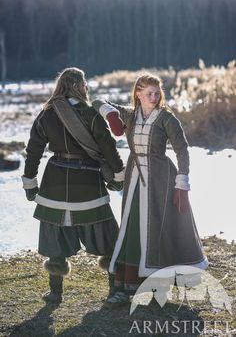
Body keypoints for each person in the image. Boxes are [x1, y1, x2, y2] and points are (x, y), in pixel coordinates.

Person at [92, 72, 209, 307]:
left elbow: (182, 149)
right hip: (135, 178)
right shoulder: (130, 115)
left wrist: (182, 182)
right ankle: (128, 286)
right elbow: (96, 102)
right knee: (132, 228)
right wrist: (112, 115)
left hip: (161, 179)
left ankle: (158, 288)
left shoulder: (167, 118)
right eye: (149, 94)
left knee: (159, 229)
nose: (154, 97)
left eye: (157, 93)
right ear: (138, 93)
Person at [22, 67, 124, 304]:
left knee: (55, 237)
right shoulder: (90, 113)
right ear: (81, 86)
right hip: (88, 183)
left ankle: (55, 293)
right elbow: (108, 146)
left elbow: (34, 150)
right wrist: (118, 176)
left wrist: (30, 182)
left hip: (54, 184)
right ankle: (115, 291)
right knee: (107, 237)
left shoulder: (47, 113)